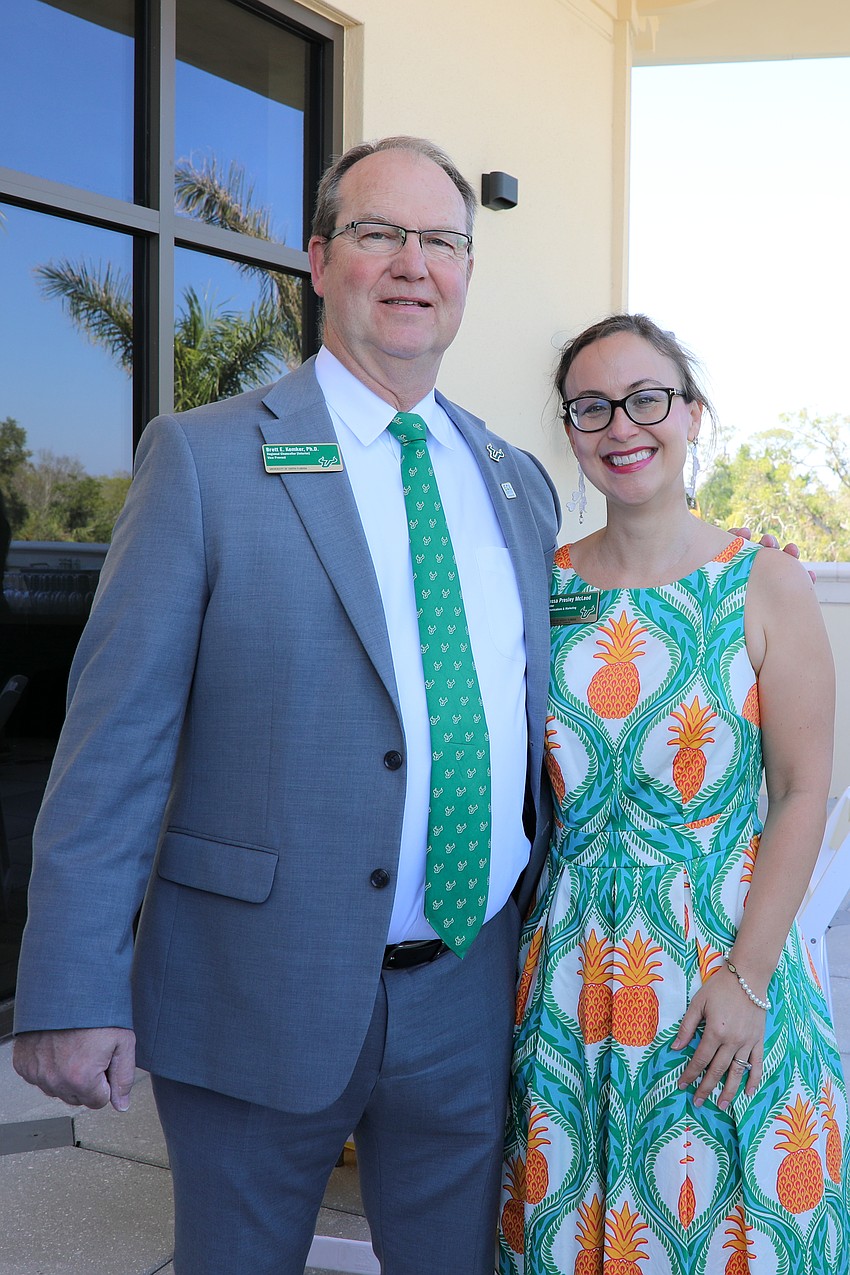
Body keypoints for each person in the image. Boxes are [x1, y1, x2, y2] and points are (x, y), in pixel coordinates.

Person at [11, 136, 561, 1275]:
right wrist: (70, 986)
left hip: (469, 989)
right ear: (318, 260)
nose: (413, 263)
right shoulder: (203, 460)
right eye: (378, 233)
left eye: (441, 240)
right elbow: (114, 745)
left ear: (467, 269)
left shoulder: (515, 481)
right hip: (254, 985)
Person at [498, 313, 850, 1274]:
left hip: (725, 961)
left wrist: (747, 978)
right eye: (593, 406)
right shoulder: (539, 589)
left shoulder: (765, 580)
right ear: (570, 432)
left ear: (692, 414)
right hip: (571, 973)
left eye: (647, 398)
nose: (622, 425)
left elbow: (802, 791)